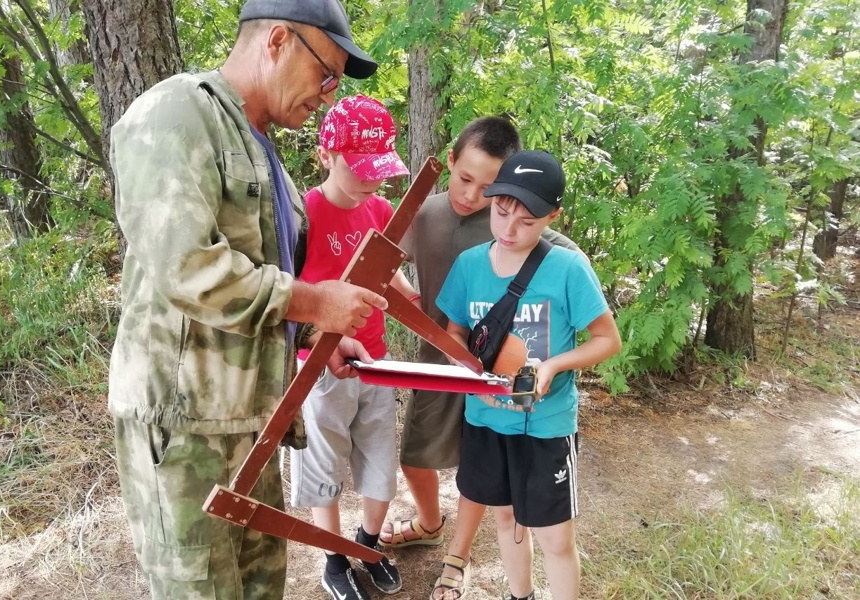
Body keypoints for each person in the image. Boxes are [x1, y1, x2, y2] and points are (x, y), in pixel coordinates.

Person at [107, 2, 388, 599]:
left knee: (262, 590)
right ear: (280, 40)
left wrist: (309, 337)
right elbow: (186, 267)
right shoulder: (176, 113)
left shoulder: (265, 151)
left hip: (252, 427)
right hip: (185, 433)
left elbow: (261, 282)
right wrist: (315, 304)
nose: (328, 93)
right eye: (327, 73)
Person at [380, 117, 584, 599]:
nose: (472, 196)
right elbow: (382, 259)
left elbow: (563, 263)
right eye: (464, 178)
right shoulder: (424, 213)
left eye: (487, 186)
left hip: (497, 378)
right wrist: (411, 299)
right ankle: (430, 522)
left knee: (479, 467)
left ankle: (458, 555)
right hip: (439, 361)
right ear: (450, 162)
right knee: (415, 455)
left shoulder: (511, 223)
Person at [435, 150, 621, 600]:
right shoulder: (470, 265)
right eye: (502, 212)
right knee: (505, 519)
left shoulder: (567, 268)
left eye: (527, 221)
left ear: (552, 217)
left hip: (545, 425)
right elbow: (455, 331)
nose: (510, 230)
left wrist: (554, 364)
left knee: (555, 538)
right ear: (493, 200)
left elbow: (606, 340)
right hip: (485, 420)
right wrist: (465, 365)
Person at [289, 95, 417, 600]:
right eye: (358, 167)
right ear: (326, 155)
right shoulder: (302, 214)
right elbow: (290, 291)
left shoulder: (380, 208)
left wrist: (411, 294)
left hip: (376, 360)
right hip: (320, 367)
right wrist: (324, 333)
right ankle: (335, 557)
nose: (371, 179)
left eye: (378, 168)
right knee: (324, 464)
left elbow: (387, 266)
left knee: (379, 458)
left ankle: (369, 545)